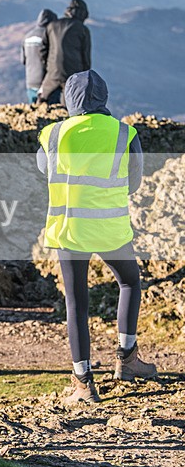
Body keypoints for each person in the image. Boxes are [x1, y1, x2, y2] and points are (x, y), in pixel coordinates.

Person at [37, 70, 156, 405]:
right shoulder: (124, 133)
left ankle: (83, 383)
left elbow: (44, 171)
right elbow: (134, 182)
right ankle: (127, 359)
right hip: (110, 228)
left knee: (77, 302)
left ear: (69, 99)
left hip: (69, 229)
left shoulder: (54, 133)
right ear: (104, 97)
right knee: (130, 282)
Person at [39, 0, 91, 106]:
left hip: (53, 72)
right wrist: (85, 77)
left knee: (44, 103)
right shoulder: (82, 29)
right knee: (71, 106)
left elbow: (43, 50)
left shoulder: (52, 26)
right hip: (73, 73)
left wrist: (48, 67)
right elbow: (85, 57)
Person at [22, 9, 58, 104]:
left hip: (31, 81)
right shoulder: (50, 36)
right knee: (52, 114)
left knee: (34, 115)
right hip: (47, 83)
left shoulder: (27, 37)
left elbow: (23, 60)